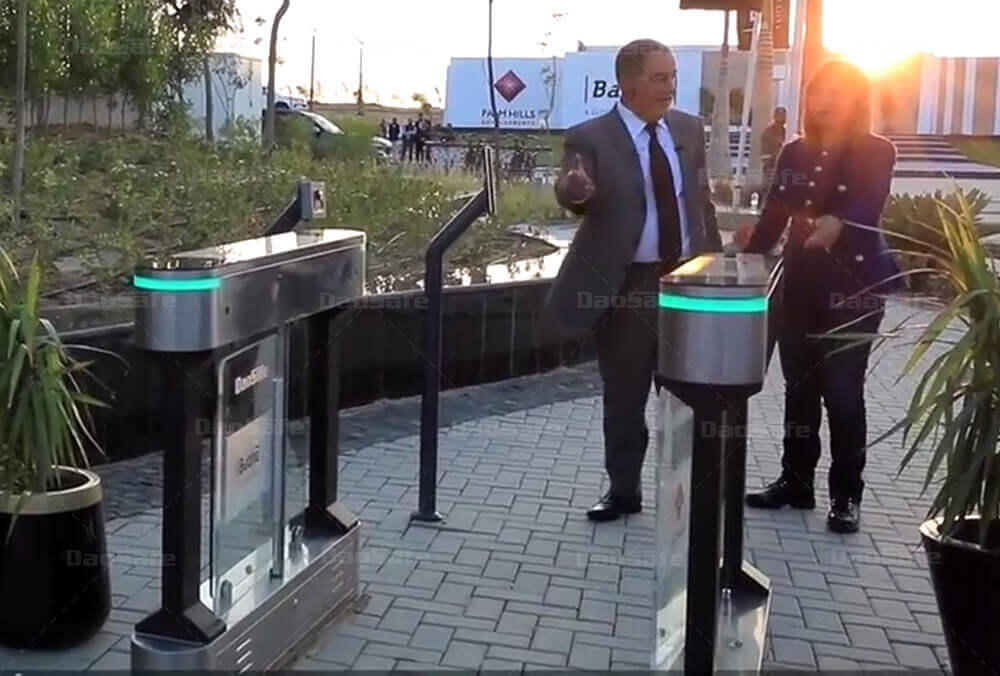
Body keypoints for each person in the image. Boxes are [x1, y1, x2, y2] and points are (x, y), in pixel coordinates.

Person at [547, 39, 723, 522]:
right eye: (659, 77)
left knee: (689, 393)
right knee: (625, 394)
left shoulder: (688, 129)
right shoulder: (590, 137)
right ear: (628, 83)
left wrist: (715, 265)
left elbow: (700, 201)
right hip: (629, 286)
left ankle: (688, 492)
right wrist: (574, 190)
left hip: (686, 282)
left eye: (673, 77)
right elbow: (573, 190)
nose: (670, 87)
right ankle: (624, 490)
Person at [735, 60, 900, 534]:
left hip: (853, 290)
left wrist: (838, 223)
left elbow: (868, 201)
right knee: (799, 389)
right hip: (801, 286)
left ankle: (846, 495)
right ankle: (796, 481)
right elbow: (775, 213)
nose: (824, 101)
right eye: (818, 92)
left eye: (837, 92)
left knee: (843, 394)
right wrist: (744, 257)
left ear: (857, 100)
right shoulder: (794, 152)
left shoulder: (876, 150)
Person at [761, 106, 787, 186]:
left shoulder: (786, 131)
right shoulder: (768, 132)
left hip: (784, 165)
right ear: (775, 116)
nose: (782, 117)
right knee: (770, 186)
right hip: (771, 165)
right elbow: (765, 152)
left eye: (784, 115)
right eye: (780, 115)